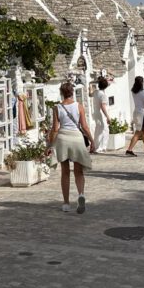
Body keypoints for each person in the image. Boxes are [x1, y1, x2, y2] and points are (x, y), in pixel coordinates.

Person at [46, 81, 93, 213]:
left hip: (63, 139)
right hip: (77, 138)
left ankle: (66, 203)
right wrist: (92, 140)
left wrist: (49, 145)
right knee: (78, 171)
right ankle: (81, 194)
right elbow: (84, 126)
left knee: (65, 172)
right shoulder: (79, 106)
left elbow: (55, 129)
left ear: (61, 93)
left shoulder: (57, 108)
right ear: (72, 92)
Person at [125, 77, 144, 156]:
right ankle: (129, 150)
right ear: (141, 83)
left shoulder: (134, 91)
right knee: (138, 132)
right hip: (142, 113)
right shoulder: (143, 93)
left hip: (136, 111)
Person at [92, 77, 110, 155]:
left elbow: (90, 94)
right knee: (104, 130)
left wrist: (90, 85)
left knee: (98, 130)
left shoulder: (95, 92)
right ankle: (101, 147)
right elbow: (103, 107)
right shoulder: (103, 95)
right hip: (101, 114)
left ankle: (96, 146)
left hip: (95, 113)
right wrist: (108, 116)